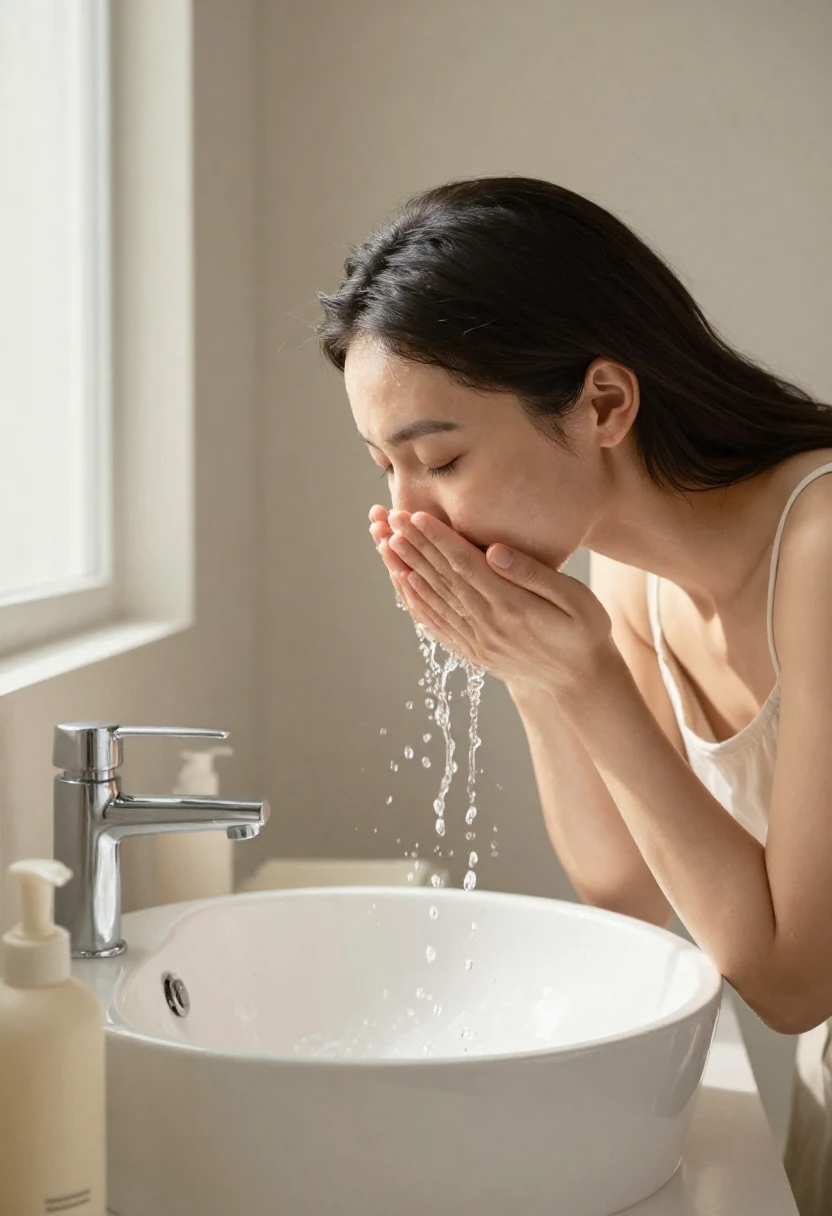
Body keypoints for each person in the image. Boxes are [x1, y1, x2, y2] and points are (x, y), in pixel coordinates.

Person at [315, 175, 832, 1214]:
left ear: (603, 402)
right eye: (384, 468)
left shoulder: (820, 550)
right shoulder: (624, 568)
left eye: (439, 458)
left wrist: (588, 677)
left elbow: (786, 980)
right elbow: (631, 888)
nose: (407, 514)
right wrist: (531, 665)